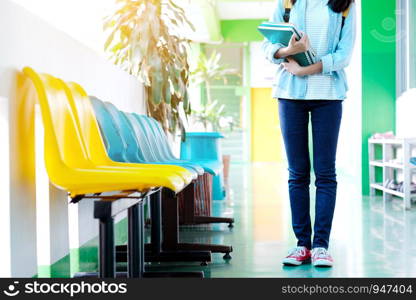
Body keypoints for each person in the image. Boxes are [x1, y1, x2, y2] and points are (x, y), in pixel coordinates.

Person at [262, 0, 356, 267]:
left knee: (325, 173)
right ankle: (302, 244)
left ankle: (320, 246)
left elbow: (344, 54)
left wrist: (305, 69)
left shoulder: (346, 4)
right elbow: (267, 45)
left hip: (328, 95)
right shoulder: (287, 2)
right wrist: (289, 50)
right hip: (289, 96)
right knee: (298, 172)